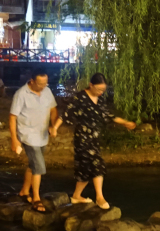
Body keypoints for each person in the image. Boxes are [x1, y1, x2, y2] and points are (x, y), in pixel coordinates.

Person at [57, 73, 136, 209]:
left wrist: (126, 123)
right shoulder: (80, 97)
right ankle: (100, 197)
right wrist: (54, 128)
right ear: (91, 85)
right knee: (97, 164)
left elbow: (108, 115)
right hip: (82, 138)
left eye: (103, 90)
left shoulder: (100, 100)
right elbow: (65, 114)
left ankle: (76, 196)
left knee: (85, 169)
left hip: (94, 138)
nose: (101, 92)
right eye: (98, 89)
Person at [5, 70, 60, 212]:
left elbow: (53, 110)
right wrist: (14, 140)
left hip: (42, 135)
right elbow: (12, 117)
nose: (43, 86)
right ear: (32, 81)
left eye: (45, 83)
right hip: (28, 135)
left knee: (33, 164)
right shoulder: (21, 94)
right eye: (40, 83)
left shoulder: (47, 91)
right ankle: (36, 198)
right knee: (39, 167)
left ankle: (24, 190)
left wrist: (53, 125)